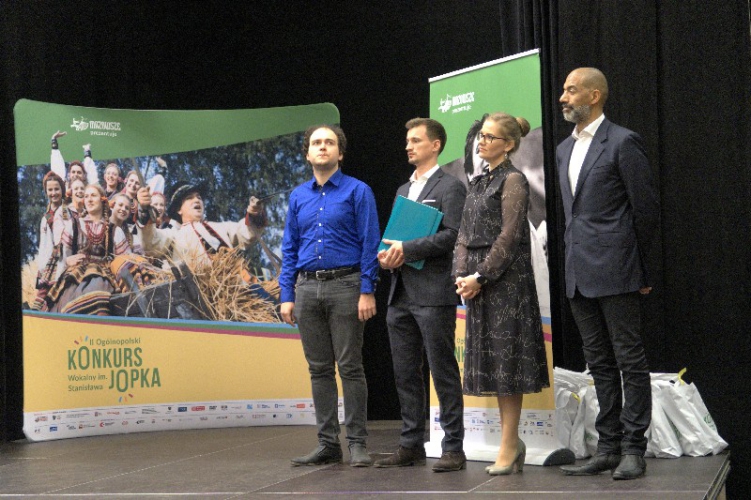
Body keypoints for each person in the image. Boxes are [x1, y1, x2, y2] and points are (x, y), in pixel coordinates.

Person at [556, 68, 659, 480]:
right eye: (564, 90)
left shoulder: (622, 141)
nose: (563, 97)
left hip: (617, 268)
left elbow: (644, 209)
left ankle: (634, 448)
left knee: (629, 359)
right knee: (598, 362)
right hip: (577, 270)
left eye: (571, 90)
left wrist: (642, 268)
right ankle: (608, 446)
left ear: (594, 95)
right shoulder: (564, 149)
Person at [453, 112, 549, 476]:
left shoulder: (514, 179)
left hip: (506, 282)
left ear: (508, 145)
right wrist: (461, 275)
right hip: (478, 284)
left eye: (490, 137)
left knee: (508, 366)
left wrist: (480, 275)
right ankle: (511, 442)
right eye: (481, 136)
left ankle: (509, 444)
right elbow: (463, 235)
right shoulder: (478, 182)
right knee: (494, 365)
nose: (482, 142)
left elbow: (510, 237)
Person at [279, 124, 379, 468]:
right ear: (308, 154)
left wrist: (367, 289)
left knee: (350, 367)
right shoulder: (298, 196)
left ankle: (358, 443)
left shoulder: (358, 191)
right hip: (306, 289)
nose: (322, 147)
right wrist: (287, 294)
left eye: (329, 142)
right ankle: (327, 444)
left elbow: (370, 243)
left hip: (346, 285)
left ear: (340, 153)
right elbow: (289, 247)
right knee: (319, 369)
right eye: (316, 143)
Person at [375, 118, 467, 472]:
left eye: (416, 140)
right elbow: (394, 237)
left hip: (433, 292)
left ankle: (453, 447)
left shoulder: (450, 186)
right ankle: (411, 443)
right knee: (404, 373)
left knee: (442, 371)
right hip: (400, 293)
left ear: (436, 145)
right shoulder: (403, 189)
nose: (408, 146)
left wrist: (408, 249)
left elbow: (454, 235)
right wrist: (387, 255)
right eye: (407, 141)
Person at [43, 184, 131, 315]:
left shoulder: (114, 231)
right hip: (75, 276)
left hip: (103, 276)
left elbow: (125, 260)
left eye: (93, 196)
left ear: (103, 200)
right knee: (66, 300)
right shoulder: (74, 224)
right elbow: (62, 256)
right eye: (86, 196)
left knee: (99, 287)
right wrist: (67, 260)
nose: (89, 199)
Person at [32, 171, 72, 310]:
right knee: (43, 294)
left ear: (62, 190)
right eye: (50, 190)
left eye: (56, 189)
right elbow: (44, 245)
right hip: (51, 261)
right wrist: (42, 267)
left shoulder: (68, 212)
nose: (53, 193)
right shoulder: (46, 218)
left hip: (66, 256)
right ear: (46, 192)